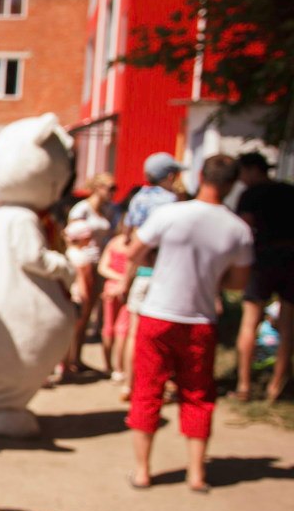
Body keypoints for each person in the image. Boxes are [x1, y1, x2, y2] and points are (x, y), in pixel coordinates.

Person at [119, 154, 252, 493]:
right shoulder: (238, 229)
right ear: (232, 184)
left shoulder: (169, 214)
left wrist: (160, 262)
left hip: (158, 314)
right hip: (200, 319)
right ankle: (196, 474)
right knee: (197, 394)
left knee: (148, 390)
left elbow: (133, 252)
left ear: (200, 176)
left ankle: (142, 470)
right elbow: (237, 283)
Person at [120, 152, 184, 399]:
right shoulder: (173, 203)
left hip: (141, 272)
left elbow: (128, 239)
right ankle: (162, 383)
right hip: (167, 275)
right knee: (165, 334)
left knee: (134, 333)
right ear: (170, 176)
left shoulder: (138, 199)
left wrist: (126, 278)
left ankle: (129, 383)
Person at [234, 151, 294, 402]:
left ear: (252, 170)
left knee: (250, 322)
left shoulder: (250, 195)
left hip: (262, 260)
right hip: (291, 258)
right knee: (288, 325)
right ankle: (276, 385)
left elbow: (243, 229)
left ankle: (244, 385)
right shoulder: (288, 191)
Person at [97, 217, 134, 382]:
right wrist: (123, 280)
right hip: (126, 288)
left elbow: (103, 267)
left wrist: (116, 280)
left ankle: (109, 366)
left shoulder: (114, 243)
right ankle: (119, 368)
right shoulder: (135, 246)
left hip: (111, 288)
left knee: (111, 326)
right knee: (121, 329)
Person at [61, 220, 100, 377]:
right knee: (74, 333)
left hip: (67, 296)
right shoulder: (81, 258)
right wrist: (86, 303)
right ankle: (68, 364)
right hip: (78, 298)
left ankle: (66, 364)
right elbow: (82, 283)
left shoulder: (67, 254)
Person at [68, 172, 117, 248]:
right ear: (99, 187)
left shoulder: (106, 210)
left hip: (99, 257)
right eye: (111, 188)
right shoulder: (82, 209)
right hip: (83, 257)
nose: (113, 192)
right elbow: (69, 237)